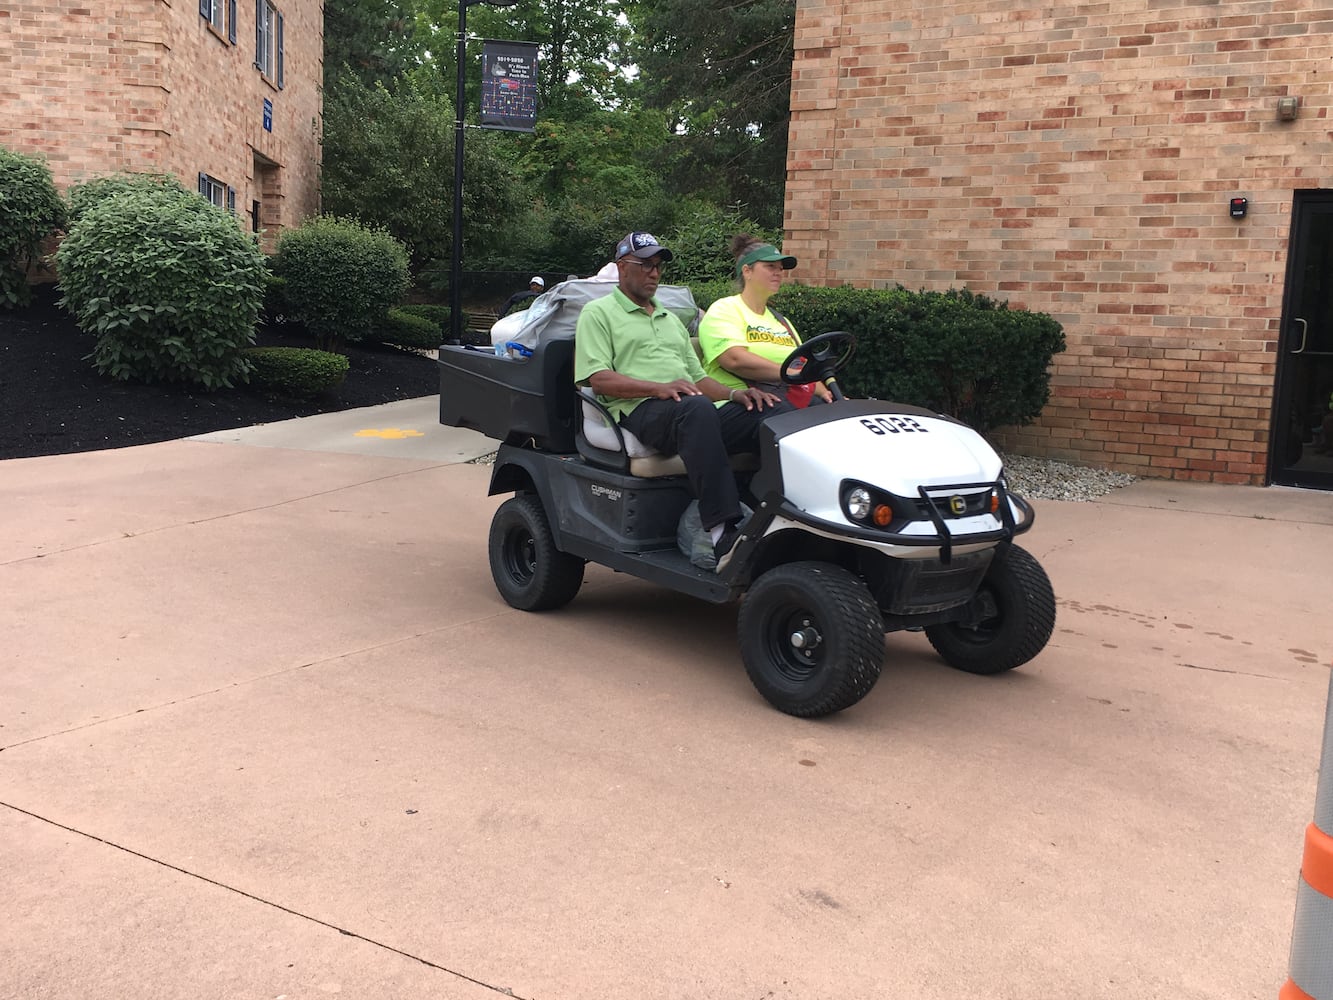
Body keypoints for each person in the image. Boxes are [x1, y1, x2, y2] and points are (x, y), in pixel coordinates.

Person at [574, 231, 790, 570]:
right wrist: (656, 388)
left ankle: (783, 517)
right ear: (620, 267)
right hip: (640, 411)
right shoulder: (598, 313)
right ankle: (721, 530)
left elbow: (700, 380)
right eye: (644, 264)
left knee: (769, 410)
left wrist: (737, 394)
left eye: (658, 266)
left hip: (686, 410)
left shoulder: (670, 320)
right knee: (696, 408)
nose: (654, 273)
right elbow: (598, 380)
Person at [698, 235, 832, 407]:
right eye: (770, 266)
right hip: (742, 402)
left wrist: (828, 395)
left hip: (784, 400)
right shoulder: (725, 309)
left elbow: (802, 368)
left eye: (780, 268)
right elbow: (734, 359)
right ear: (747, 271)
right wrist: (788, 373)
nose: (778, 272)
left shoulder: (782, 322)